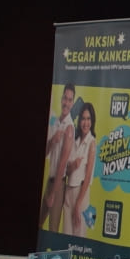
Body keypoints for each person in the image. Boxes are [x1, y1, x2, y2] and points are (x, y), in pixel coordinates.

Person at [41, 84, 77, 233]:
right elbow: (46, 153)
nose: (66, 103)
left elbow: (62, 164)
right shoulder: (55, 122)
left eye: (69, 100)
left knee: (52, 230)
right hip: (49, 181)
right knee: (39, 224)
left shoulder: (69, 127)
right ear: (61, 99)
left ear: (72, 103)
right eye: (65, 98)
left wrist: (53, 194)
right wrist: (52, 141)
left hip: (58, 185)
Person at [63, 100, 97, 237]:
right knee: (66, 234)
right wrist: (72, 166)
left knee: (79, 234)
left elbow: (87, 178)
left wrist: (78, 205)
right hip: (68, 191)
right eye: (83, 118)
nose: (85, 123)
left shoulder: (92, 143)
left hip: (81, 194)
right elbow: (66, 171)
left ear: (92, 121)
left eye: (88, 119)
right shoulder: (74, 141)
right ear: (79, 120)